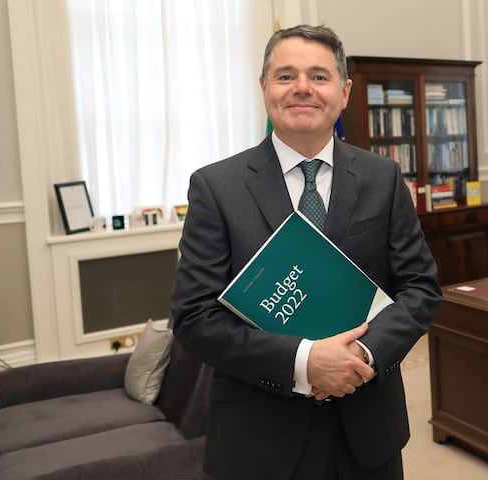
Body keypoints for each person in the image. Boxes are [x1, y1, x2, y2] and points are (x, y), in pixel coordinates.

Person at [170, 24, 441, 480]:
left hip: (368, 426)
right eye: (285, 76)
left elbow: (421, 289)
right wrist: (305, 363)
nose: (302, 88)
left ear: (344, 92)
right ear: (264, 87)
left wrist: (361, 356)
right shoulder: (216, 187)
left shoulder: (383, 177)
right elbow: (194, 318)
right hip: (261, 435)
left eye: (318, 76)